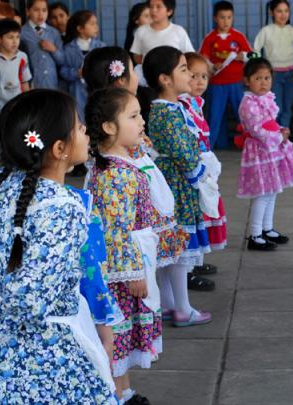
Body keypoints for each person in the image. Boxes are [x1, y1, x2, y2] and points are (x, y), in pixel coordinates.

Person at [0, 88, 118, 404]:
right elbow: (35, 298)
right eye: (79, 127)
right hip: (49, 355)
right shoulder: (64, 205)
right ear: (60, 148)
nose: (86, 131)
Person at [86, 87, 183, 404]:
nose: (142, 121)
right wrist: (133, 273)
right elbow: (116, 230)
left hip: (136, 258)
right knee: (117, 333)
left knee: (123, 336)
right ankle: (115, 394)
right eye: (133, 116)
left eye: (140, 114)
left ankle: (123, 389)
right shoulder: (114, 174)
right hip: (123, 270)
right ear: (109, 127)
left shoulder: (121, 160)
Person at [143, 46, 214, 326]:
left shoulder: (173, 107)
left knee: (172, 250)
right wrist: (200, 174)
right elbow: (183, 150)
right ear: (165, 79)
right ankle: (182, 308)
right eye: (184, 69)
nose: (190, 75)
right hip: (177, 187)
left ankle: (170, 303)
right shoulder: (166, 111)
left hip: (174, 185)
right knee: (180, 250)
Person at [237, 57, 293, 250]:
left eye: (267, 78)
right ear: (247, 80)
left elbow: (270, 122)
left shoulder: (267, 98)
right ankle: (255, 234)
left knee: (273, 191)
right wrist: (278, 137)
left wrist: (281, 130)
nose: (263, 82)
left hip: (271, 150)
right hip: (260, 151)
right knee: (262, 193)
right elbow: (257, 130)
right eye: (258, 78)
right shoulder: (248, 103)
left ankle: (267, 228)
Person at [183, 51, 227, 280]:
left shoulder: (196, 102)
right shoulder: (182, 105)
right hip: (192, 167)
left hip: (203, 164)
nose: (199, 81)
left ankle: (197, 261)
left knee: (202, 215)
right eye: (193, 75)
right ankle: (188, 269)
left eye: (204, 76)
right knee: (193, 215)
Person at [199, 1, 253, 149]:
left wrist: (244, 57)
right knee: (215, 117)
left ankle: (250, 145)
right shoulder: (210, 38)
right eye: (222, 17)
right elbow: (202, 59)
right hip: (216, 84)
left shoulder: (238, 36)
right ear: (215, 18)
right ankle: (209, 148)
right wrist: (211, 65)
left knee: (243, 115)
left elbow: (253, 55)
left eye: (229, 17)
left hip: (236, 83)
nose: (226, 21)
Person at [253, 0, 293, 133]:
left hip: (291, 74)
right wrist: (262, 69)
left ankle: (284, 137)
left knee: (287, 108)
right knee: (276, 107)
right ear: (272, 12)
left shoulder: (292, 31)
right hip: (273, 76)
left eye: (286, 11)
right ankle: (274, 135)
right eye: (279, 11)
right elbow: (255, 49)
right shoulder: (266, 31)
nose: (283, 15)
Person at [0, 18, 32, 172]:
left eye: (17, 37)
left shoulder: (22, 57)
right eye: (10, 37)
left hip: (17, 107)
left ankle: (16, 176)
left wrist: (27, 104)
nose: (15, 41)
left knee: (17, 140)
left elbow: (25, 81)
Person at [60, 10, 106, 121]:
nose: (96, 27)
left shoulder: (101, 46)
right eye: (92, 23)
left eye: (96, 23)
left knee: (96, 118)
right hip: (76, 91)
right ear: (80, 29)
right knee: (80, 120)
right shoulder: (68, 48)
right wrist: (77, 73)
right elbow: (63, 70)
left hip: (96, 90)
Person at [130, 0, 194, 65]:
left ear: (169, 11)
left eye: (158, 7)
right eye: (151, 6)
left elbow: (189, 55)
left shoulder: (179, 31)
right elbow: (137, 57)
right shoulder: (141, 31)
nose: (153, 10)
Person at [20, 0, 64, 90]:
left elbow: (62, 60)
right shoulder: (22, 33)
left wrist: (53, 49)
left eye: (44, 10)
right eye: (36, 10)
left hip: (52, 82)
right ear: (28, 11)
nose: (40, 14)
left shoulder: (54, 32)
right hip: (33, 82)